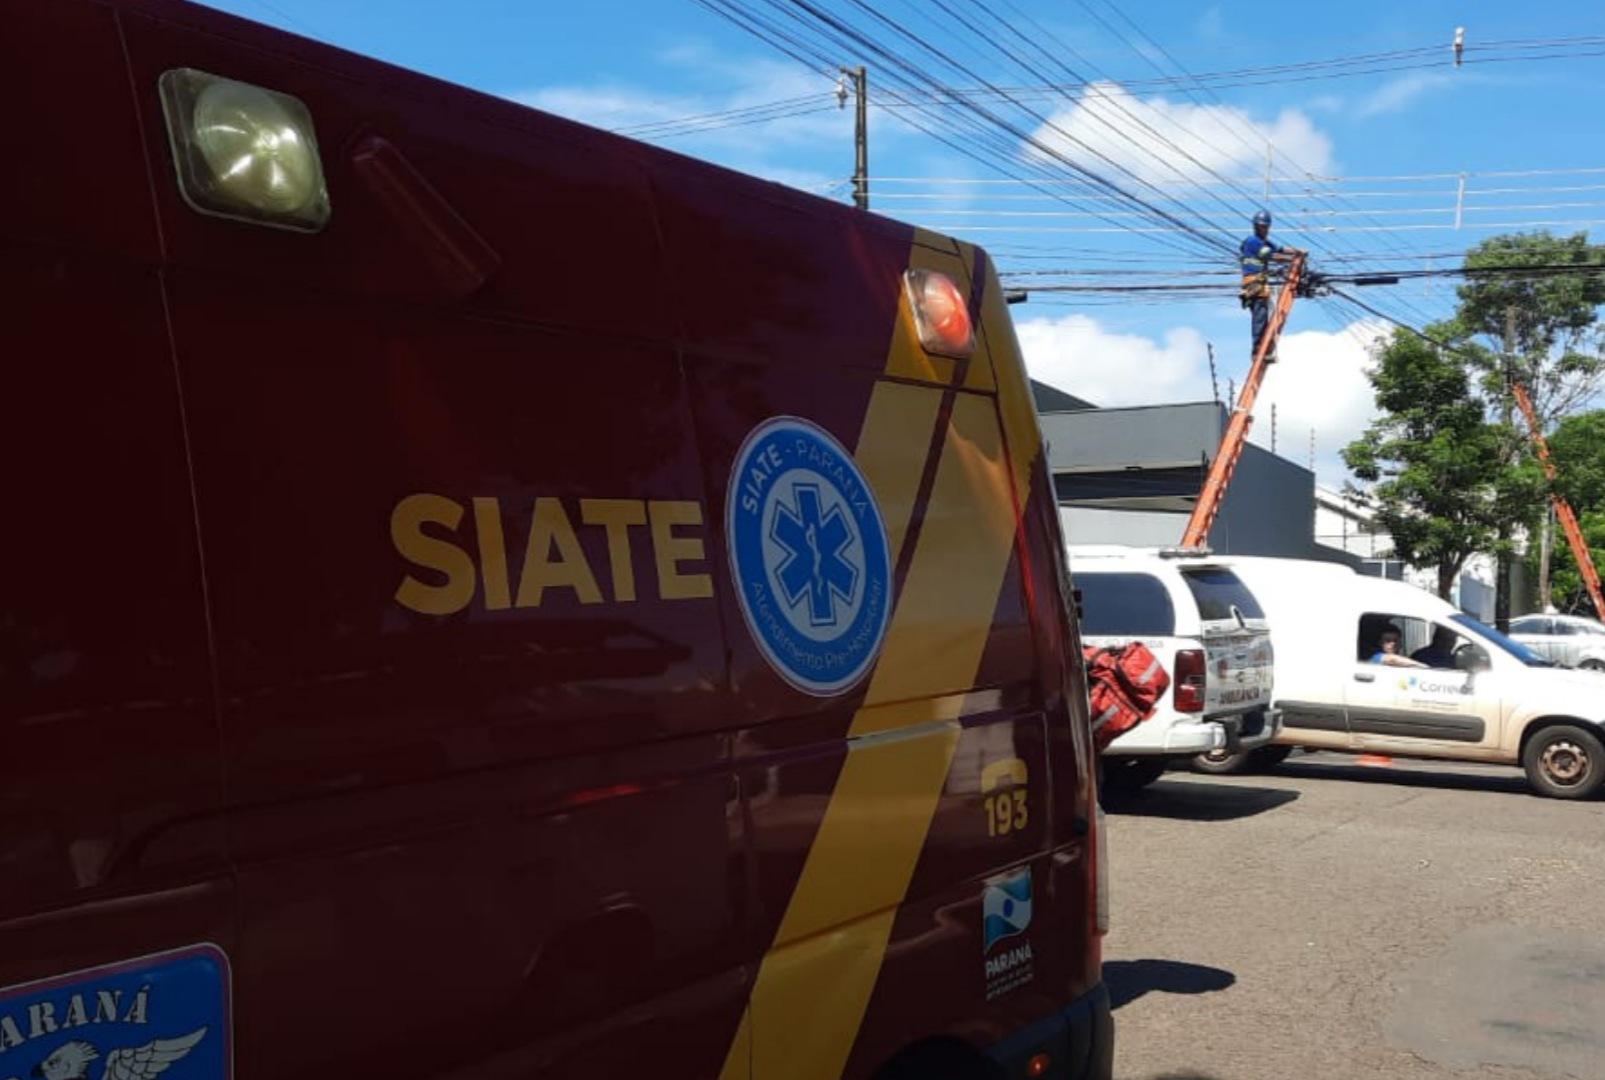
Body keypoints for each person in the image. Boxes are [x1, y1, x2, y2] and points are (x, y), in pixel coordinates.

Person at [1240, 210, 1304, 362]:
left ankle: (1264, 348)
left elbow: (1279, 249)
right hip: (1253, 283)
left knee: (1263, 316)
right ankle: (1257, 350)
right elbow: (1272, 256)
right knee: (1260, 316)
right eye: (1261, 226)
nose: (1263, 229)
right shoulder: (1252, 241)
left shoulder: (1264, 242)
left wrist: (1298, 252)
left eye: (1265, 226)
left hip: (1260, 283)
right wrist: (1293, 260)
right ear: (1256, 226)